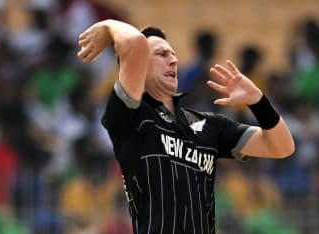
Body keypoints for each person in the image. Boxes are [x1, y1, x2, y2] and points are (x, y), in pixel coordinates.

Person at [77, 19, 295, 234]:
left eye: (173, 55)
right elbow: (134, 44)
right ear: (140, 65)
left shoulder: (210, 124)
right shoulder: (129, 117)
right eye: (162, 54)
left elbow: (282, 146)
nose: (173, 60)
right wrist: (107, 26)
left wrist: (258, 101)